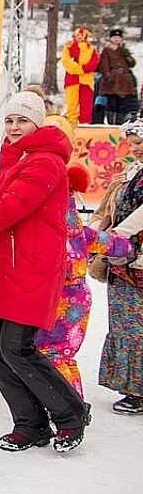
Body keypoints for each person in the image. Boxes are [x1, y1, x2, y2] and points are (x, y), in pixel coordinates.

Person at [0, 91, 90, 452]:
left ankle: (70, 414)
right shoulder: (13, 161)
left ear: (38, 123)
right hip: (3, 270)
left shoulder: (45, 163)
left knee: (17, 348)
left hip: (30, 271)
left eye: (22, 120)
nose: (14, 126)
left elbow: (9, 210)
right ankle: (30, 423)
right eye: (9, 120)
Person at [36, 165, 133, 397]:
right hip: (73, 296)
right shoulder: (74, 223)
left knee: (54, 354)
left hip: (62, 296)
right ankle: (65, 403)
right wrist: (126, 247)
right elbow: (99, 240)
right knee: (57, 353)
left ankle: (72, 404)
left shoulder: (51, 219)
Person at [98, 119, 143, 415]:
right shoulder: (129, 176)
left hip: (136, 259)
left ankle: (137, 390)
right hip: (121, 259)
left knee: (135, 326)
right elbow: (108, 211)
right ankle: (128, 386)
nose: (135, 150)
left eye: (139, 143)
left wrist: (114, 236)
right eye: (132, 144)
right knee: (123, 323)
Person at [62, 26, 100, 126]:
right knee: (71, 105)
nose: (79, 37)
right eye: (77, 35)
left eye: (81, 35)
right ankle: (71, 125)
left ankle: (85, 126)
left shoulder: (91, 49)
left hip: (86, 81)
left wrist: (82, 69)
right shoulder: (68, 47)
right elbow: (66, 62)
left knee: (86, 106)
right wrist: (80, 69)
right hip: (72, 80)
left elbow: (94, 63)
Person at [99, 28, 137, 125]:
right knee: (112, 104)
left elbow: (132, 63)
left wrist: (126, 55)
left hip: (124, 80)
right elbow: (104, 65)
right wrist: (107, 76)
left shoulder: (123, 50)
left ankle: (120, 124)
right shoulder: (107, 50)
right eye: (114, 37)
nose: (116, 39)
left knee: (123, 105)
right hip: (113, 79)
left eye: (118, 37)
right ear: (111, 38)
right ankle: (111, 124)